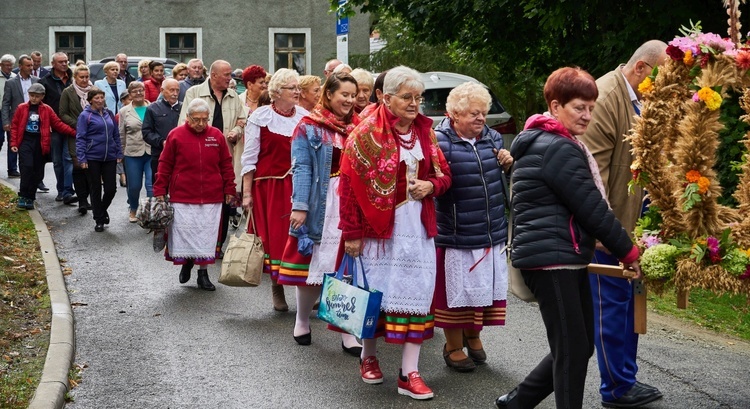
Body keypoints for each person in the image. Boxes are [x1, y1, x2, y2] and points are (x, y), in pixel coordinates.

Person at [494, 67, 641, 409]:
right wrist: (629, 253)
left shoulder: (555, 142)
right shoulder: (557, 148)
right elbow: (592, 209)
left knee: (579, 345)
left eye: (591, 107)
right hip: (551, 261)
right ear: (556, 106)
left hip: (563, 256)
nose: (588, 115)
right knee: (573, 349)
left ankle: (518, 401)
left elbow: (581, 209)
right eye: (580, 107)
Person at [339, 66, 452, 400]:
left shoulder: (426, 134)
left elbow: (445, 176)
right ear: (384, 98)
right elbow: (348, 187)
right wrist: (352, 233)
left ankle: (410, 372)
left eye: (418, 97)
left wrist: (431, 185)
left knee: (417, 294)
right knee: (376, 294)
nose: (415, 103)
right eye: (407, 97)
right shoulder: (364, 134)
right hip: (378, 231)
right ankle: (368, 356)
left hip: (417, 229)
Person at [578, 40, 667, 409]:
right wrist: (603, 232)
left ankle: (624, 379)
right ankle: (616, 388)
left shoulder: (636, 97)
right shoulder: (606, 95)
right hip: (606, 231)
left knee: (627, 305)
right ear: (642, 70)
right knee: (611, 308)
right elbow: (590, 173)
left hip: (626, 226)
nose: (665, 89)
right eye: (662, 79)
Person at [277, 73, 362, 354]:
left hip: (350, 203)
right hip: (320, 203)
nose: (349, 100)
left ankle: (347, 330)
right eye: (344, 95)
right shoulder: (308, 127)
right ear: (329, 95)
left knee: (346, 268)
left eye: (353, 95)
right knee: (311, 268)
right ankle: (302, 320)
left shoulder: (361, 128)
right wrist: (299, 207)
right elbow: (302, 167)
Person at [433, 82, 513, 373]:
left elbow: (501, 181)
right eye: (473, 114)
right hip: (455, 231)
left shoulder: (492, 138)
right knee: (457, 293)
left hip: (490, 228)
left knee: (482, 289)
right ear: (454, 115)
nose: (481, 119)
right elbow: (436, 184)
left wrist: (507, 164)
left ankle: (473, 335)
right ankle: (452, 345)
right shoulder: (439, 141)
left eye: (483, 113)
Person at [241, 68, 308, 312]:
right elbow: (250, 157)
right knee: (275, 239)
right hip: (270, 187)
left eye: (298, 88)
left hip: (300, 186)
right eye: (292, 88)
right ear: (277, 92)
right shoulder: (260, 117)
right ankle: (276, 287)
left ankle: (305, 290)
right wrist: (247, 193)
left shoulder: (304, 116)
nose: (297, 92)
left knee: (302, 238)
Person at [154, 98, 236, 291]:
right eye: (196, 119)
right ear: (188, 118)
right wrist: (159, 189)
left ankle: (203, 273)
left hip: (211, 195)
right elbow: (164, 164)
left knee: (206, 235)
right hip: (182, 195)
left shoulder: (216, 136)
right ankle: (187, 262)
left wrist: (230, 189)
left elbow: (226, 164)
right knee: (185, 233)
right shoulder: (175, 135)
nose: (201, 124)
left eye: (204, 120)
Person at [180, 60, 246, 260]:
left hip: (225, 156)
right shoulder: (194, 93)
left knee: (225, 204)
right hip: (200, 158)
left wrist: (236, 130)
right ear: (214, 75)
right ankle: (192, 253)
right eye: (226, 75)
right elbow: (184, 122)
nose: (230, 78)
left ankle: (218, 246)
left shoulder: (234, 96)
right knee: (200, 208)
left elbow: (242, 120)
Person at [9, 83, 75, 209]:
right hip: (25, 142)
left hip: (40, 142)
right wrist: (13, 143)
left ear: (42, 97)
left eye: (37, 96)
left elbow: (57, 124)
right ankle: (23, 195)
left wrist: (74, 132)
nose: (34, 98)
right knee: (26, 167)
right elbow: (15, 126)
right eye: (31, 95)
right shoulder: (22, 108)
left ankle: (30, 197)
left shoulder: (46, 109)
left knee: (37, 171)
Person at [76, 87, 123, 232]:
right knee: (95, 188)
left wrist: (119, 152)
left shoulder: (109, 113)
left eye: (102, 98)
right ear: (90, 100)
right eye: (96, 98)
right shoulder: (85, 116)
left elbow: (116, 134)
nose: (100, 100)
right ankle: (99, 219)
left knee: (111, 188)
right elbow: (80, 137)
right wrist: (82, 157)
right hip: (92, 157)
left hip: (109, 156)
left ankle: (102, 210)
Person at [40, 52, 76, 203]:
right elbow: (42, 107)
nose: (64, 64)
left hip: (70, 125)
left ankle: (68, 190)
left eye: (66, 61)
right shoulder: (45, 82)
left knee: (69, 158)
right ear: (53, 64)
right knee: (57, 161)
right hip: (53, 128)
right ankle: (61, 189)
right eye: (61, 62)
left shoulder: (74, 79)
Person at [59, 63, 93, 214]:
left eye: (87, 77)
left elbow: (102, 107)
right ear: (75, 77)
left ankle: (89, 197)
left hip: (93, 134)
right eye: (82, 77)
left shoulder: (94, 91)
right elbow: (63, 113)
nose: (85, 80)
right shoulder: (68, 92)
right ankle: (83, 200)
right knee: (78, 166)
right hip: (76, 134)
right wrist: (78, 124)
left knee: (91, 167)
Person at [118, 81, 153, 222]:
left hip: (151, 152)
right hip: (132, 152)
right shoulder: (124, 111)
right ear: (130, 94)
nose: (139, 93)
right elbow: (121, 133)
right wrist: (120, 153)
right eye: (135, 91)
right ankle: (133, 208)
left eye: (141, 90)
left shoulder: (153, 107)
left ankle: (151, 212)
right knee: (134, 186)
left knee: (151, 185)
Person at [3, 55, 38, 179]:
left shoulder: (36, 80)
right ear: (20, 66)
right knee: (14, 143)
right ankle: (12, 169)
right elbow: (6, 103)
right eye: (28, 65)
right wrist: (6, 121)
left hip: (34, 118)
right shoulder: (11, 83)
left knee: (31, 145)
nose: (30, 68)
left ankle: (31, 172)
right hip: (16, 118)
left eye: (31, 65)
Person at [143, 78, 182, 183]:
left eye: (177, 90)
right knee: (160, 184)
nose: (175, 93)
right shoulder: (153, 108)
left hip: (181, 155)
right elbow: (146, 132)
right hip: (159, 154)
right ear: (162, 90)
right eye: (171, 90)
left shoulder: (184, 107)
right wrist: (161, 142)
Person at [0, 54, 19, 178]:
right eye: (6, 65)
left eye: (11, 65)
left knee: (13, 141)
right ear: (1, 65)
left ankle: (12, 169)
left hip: (12, 112)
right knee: (0, 139)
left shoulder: (14, 77)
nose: (9, 68)